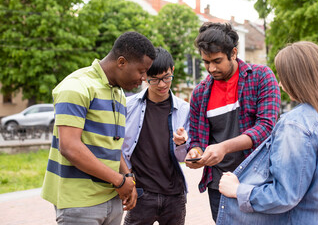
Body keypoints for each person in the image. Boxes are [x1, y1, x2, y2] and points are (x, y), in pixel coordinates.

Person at [217, 41, 318, 225]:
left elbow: (284, 195)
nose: (279, 83)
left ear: (298, 79)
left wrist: (238, 190)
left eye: (283, 76)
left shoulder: (295, 123)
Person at [41, 31, 156, 225]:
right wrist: (119, 181)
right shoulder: (76, 86)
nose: (144, 78)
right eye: (141, 71)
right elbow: (69, 147)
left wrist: (128, 176)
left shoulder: (118, 93)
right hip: (80, 202)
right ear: (121, 62)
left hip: (112, 198)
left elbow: (112, 144)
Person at [184, 22, 281, 222]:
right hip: (218, 185)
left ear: (234, 53)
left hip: (257, 182)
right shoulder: (200, 93)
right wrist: (195, 153)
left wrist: (224, 148)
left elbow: (266, 127)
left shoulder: (262, 77)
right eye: (205, 62)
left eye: (217, 61)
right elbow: (197, 139)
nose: (211, 68)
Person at [122, 47, 190, 225]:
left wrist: (181, 144)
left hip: (175, 196)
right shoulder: (128, 106)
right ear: (145, 76)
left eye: (166, 77)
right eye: (155, 79)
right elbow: (119, 148)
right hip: (142, 194)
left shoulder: (184, 109)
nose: (162, 84)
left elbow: (184, 159)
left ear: (172, 71)